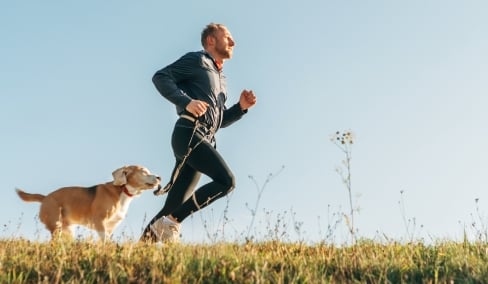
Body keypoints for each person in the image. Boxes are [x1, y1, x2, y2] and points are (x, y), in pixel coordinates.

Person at [140, 23, 257, 243]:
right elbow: (160, 77)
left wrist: (240, 108)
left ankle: (134, 254)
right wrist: (186, 102)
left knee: (171, 206)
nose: (233, 42)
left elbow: (218, 121)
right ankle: (174, 222)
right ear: (211, 40)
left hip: (204, 137)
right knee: (226, 181)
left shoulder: (222, 80)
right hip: (189, 132)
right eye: (228, 37)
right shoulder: (198, 60)